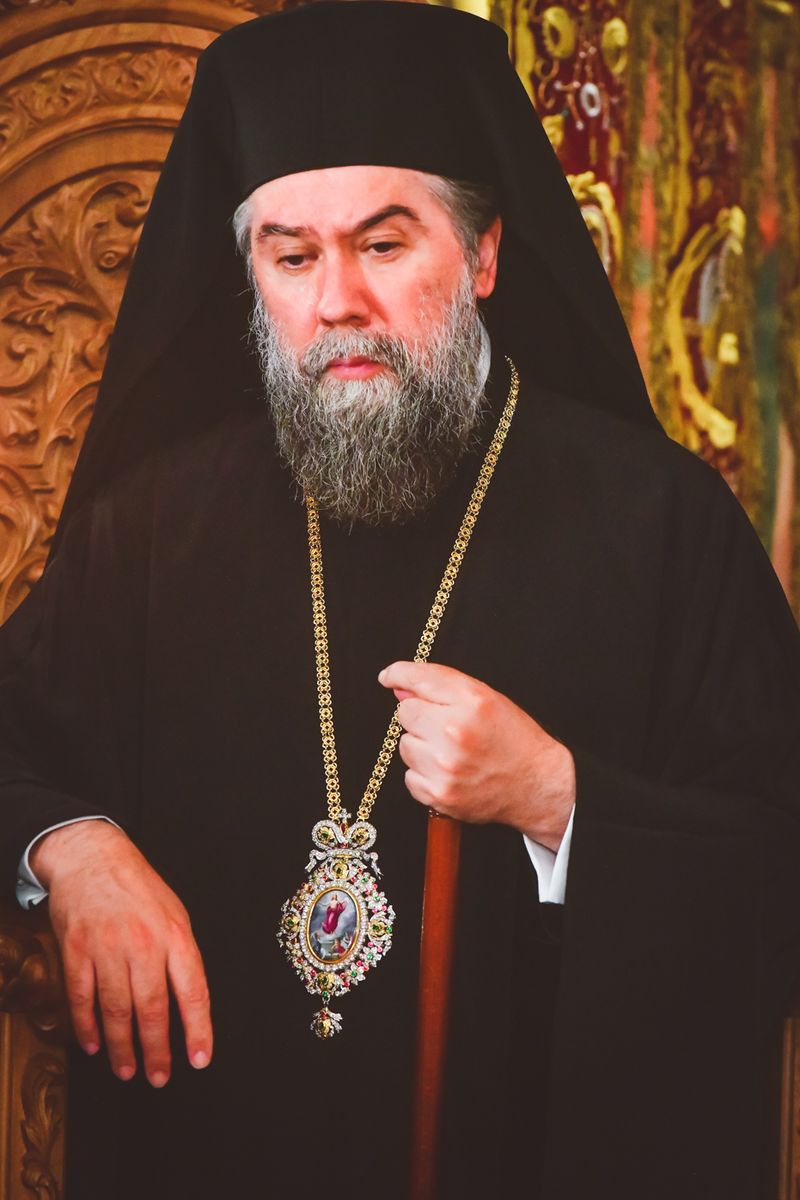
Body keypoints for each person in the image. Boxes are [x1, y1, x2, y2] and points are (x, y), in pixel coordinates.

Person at [1, 3, 799, 1197]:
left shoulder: (660, 525)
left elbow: (775, 868)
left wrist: (558, 800)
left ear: (481, 257)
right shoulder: (158, 527)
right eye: (292, 257)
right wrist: (70, 846)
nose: (336, 303)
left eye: (381, 246)